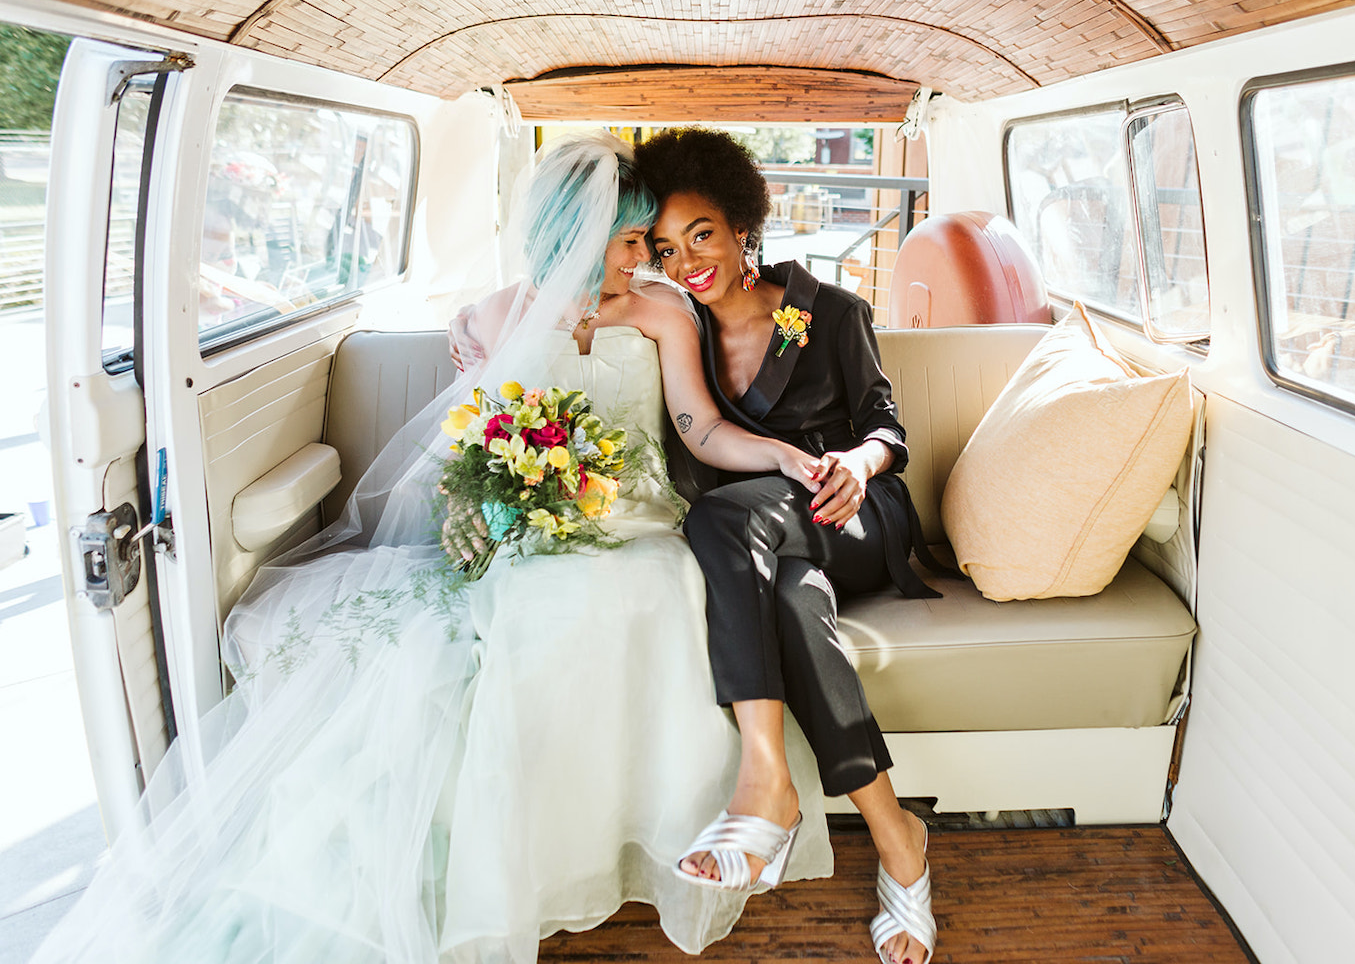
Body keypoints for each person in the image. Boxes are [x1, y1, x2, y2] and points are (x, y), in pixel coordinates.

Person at [28, 134, 832, 964]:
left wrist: (775, 453)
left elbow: (698, 426)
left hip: (638, 523)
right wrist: (482, 508)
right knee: (521, 610)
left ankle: (636, 841)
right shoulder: (490, 320)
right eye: (631, 240)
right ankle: (523, 858)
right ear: (580, 234)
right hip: (529, 528)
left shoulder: (663, 312)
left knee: (652, 592)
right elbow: (468, 446)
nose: (645, 256)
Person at [635, 127, 939, 964]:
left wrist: (857, 459)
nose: (688, 258)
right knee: (793, 602)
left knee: (721, 519)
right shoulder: (677, 328)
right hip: (772, 544)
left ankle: (765, 788)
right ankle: (897, 836)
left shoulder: (824, 309)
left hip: (855, 514)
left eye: (702, 234)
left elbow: (887, 426)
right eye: (666, 246)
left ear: (741, 225)